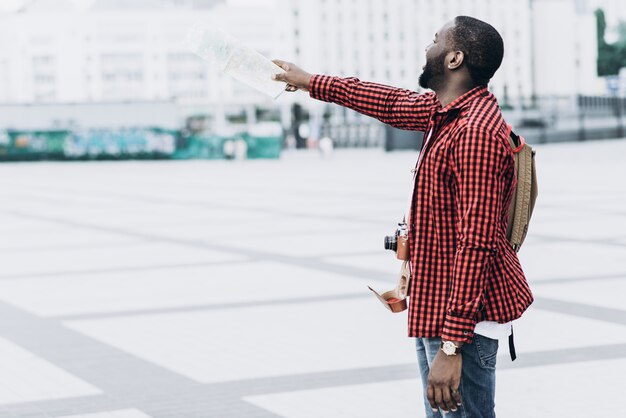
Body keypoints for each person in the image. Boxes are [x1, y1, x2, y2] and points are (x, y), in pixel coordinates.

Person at [272, 16, 533, 418]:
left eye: (435, 41)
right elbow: (385, 100)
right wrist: (310, 81)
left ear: (454, 58)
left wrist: (450, 346)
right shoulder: (443, 112)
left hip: (461, 328)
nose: (426, 49)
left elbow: (476, 243)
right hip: (439, 311)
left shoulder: (475, 132)